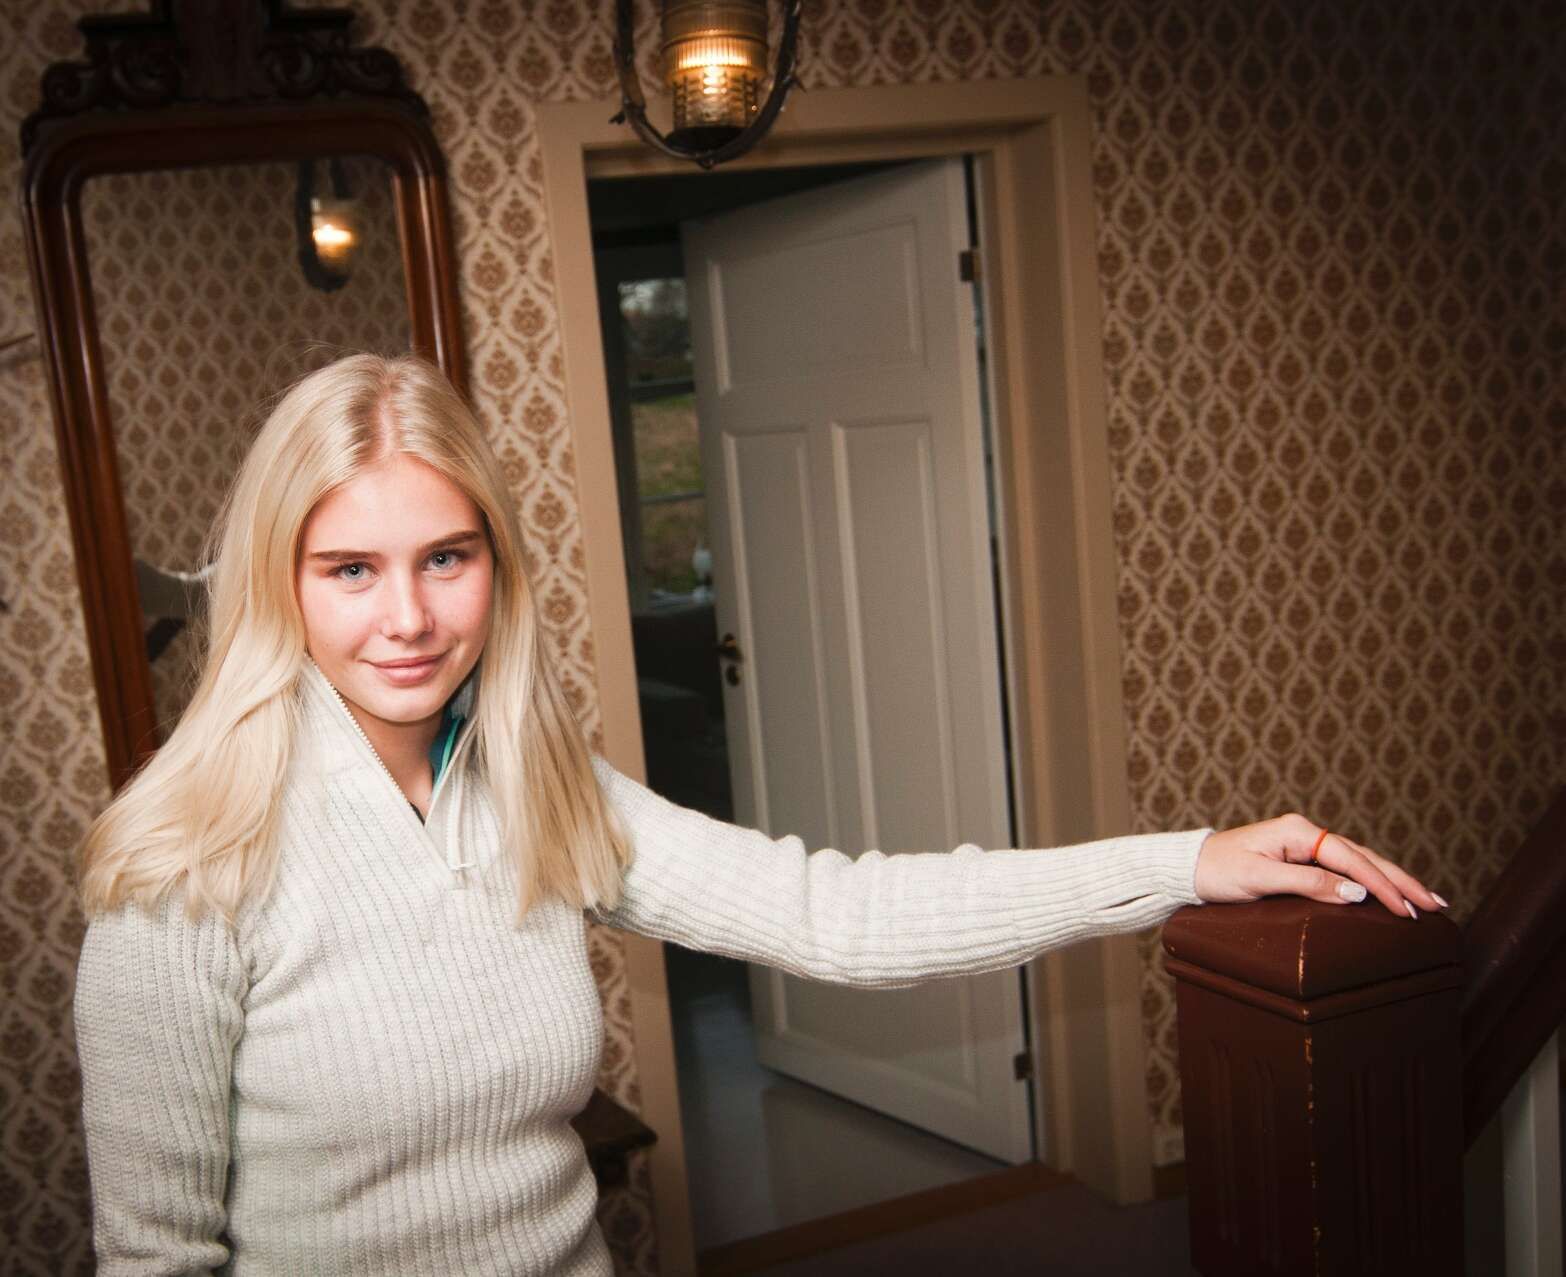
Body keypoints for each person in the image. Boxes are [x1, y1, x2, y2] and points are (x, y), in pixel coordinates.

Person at [73, 353, 1444, 1275]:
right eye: (349, 568)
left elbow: (832, 911)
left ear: (496, 564)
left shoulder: (540, 786)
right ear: (279, 581)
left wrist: (1186, 862)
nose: (410, 617)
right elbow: (155, 1258)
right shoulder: (186, 861)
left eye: (446, 556)